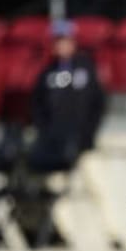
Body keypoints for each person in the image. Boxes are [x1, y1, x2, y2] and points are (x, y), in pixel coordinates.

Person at [27, 19, 106, 172]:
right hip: (53, 139)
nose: (60, 45)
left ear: (73, 42)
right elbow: (37, 103)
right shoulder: (47, 71)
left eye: (64, 40)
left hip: (82, 139)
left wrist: (88, 133)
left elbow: (97, 102)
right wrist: (45, 130)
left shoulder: (86, 68)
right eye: (57, 41)